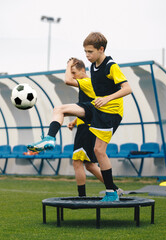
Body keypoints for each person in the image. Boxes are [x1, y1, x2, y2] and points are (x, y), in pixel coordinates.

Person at [28, 32, 132, 202]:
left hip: (110, 112)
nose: (87, 55)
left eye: (90, 52)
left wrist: (106, 99)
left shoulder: (110, 65)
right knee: (59, 109)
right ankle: (49, 139)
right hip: (96, 108)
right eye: (85, 52)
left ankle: (112, 192)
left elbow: (127, 89)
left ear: (101, 49)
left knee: (99, 151)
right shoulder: (93, 67)